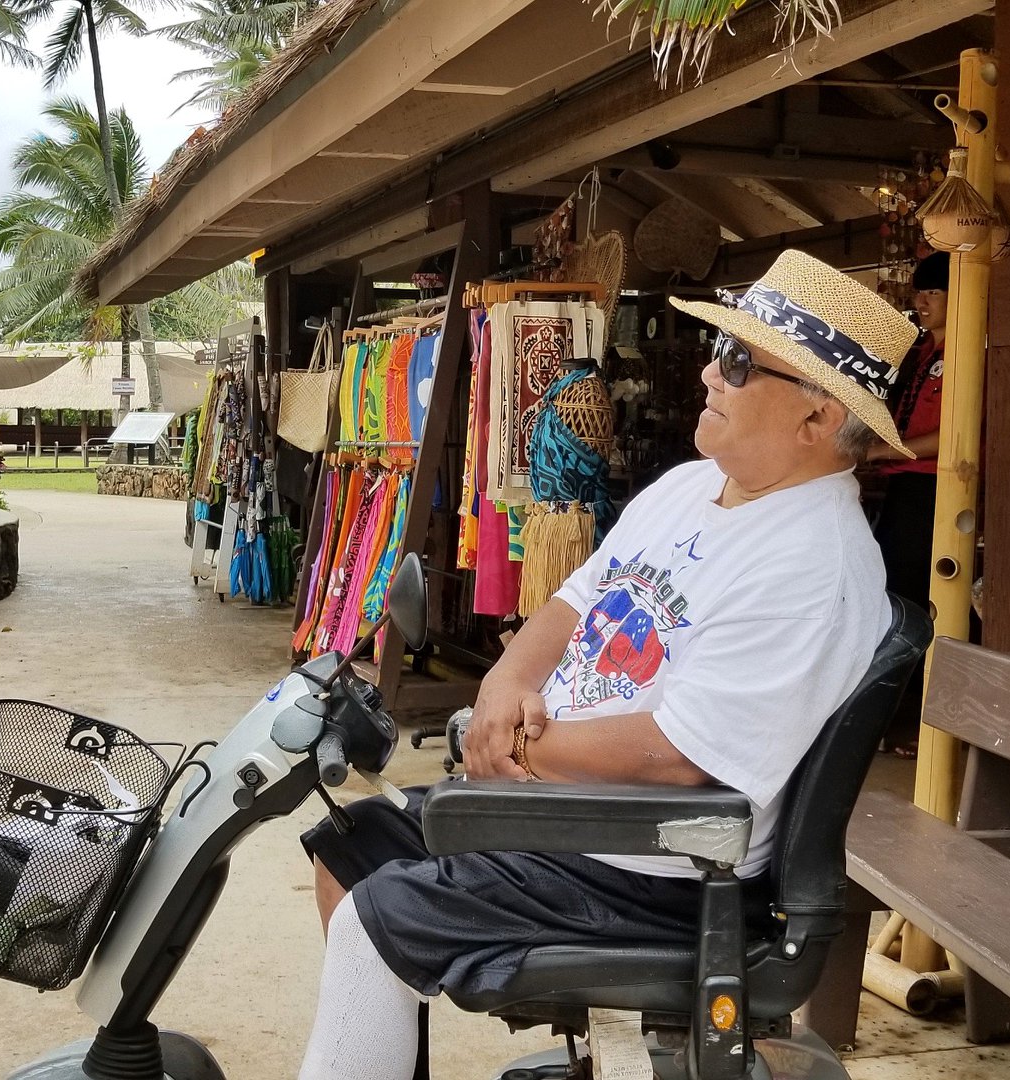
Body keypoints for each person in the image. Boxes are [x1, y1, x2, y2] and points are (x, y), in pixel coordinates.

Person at [295, 250, 921, 1080]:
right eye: (719, 352)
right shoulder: (693, 486)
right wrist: (504, 685)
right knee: (352, 847)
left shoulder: (812, 563)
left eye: (738, 362)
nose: (708, 372)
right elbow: (572, 603)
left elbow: (681, 757)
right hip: (569, 812)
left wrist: (519, 752)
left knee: (383, 918)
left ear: (816, 417)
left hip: (649, 863)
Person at [860, 251, 948, 757]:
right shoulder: (919, 352)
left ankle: (914, 721)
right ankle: (895, 718)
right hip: (903, 485)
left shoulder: (966, 352)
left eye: (932, 293)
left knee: (911, 603)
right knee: (894, 598)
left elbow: (956, 433)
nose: (920, 301)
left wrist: (882, 450)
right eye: (920, 292)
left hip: (934, 488)